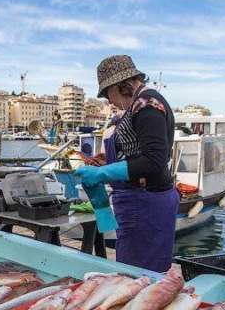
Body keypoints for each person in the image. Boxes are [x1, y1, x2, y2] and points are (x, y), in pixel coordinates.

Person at [75, 55, 178, 272]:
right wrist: (104, 162)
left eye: (107, 94)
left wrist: (102, 174)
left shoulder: (147, 104)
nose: (108, 100)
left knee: (138, 276)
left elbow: (154, 160)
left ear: (121, 85)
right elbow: (137, 151)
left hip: (146, 203)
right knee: (134, 271)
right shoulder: (138, 106)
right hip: (139, 202)